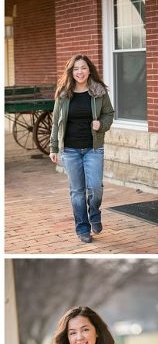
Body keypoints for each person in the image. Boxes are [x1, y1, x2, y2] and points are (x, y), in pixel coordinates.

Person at [49, 55, 114, 244]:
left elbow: (109, 113)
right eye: (76, 69)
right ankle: (83, 229)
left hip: (93, 148)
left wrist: (100, 124)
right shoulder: (63, 94)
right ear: (71, 72)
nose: (80, 72)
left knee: (95, 188)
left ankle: (94, 213)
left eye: (83, 68)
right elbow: (55, 123)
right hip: (70, 150)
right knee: (77, 192)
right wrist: (53, 147)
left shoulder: (98, 91)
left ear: (89, 70)